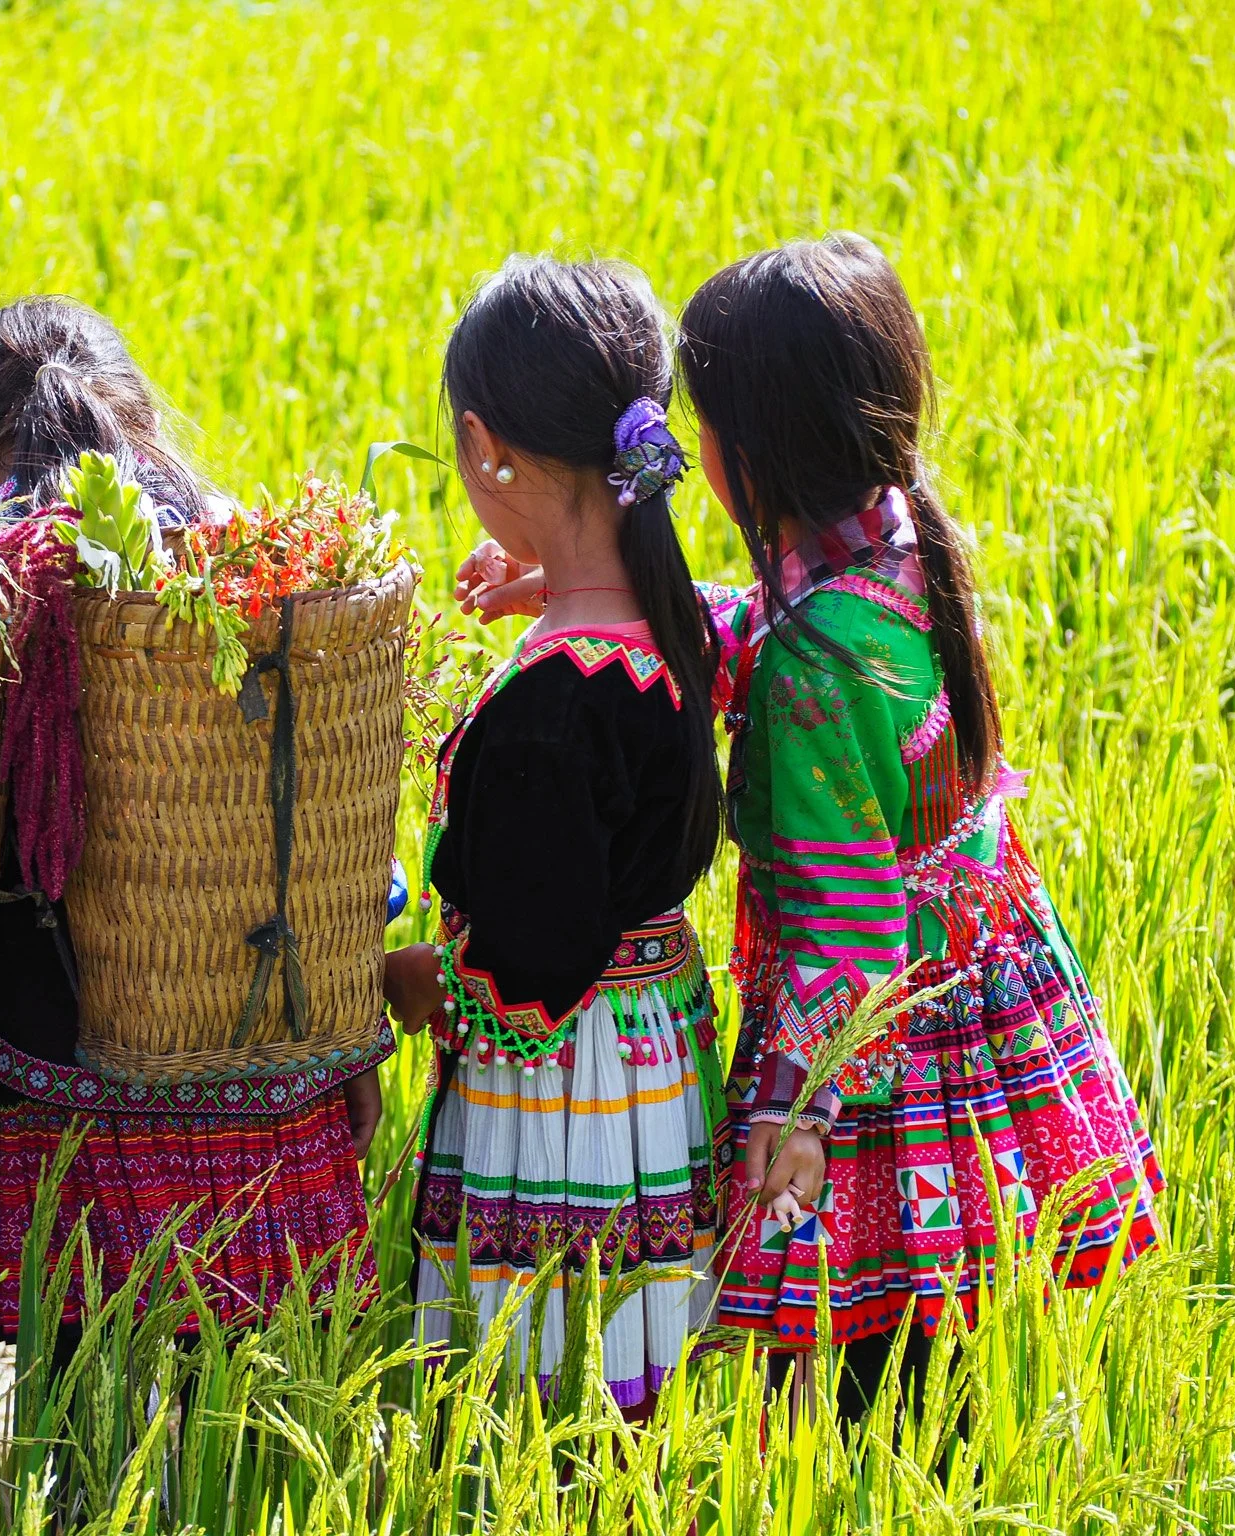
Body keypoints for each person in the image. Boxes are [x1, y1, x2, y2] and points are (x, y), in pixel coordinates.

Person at [674, 234, 1164, 1416]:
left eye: (706, 423)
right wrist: (600, 588)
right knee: (940, 1330)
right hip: (964, 984)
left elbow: (843, 929)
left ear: (755, 453)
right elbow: (762, 612)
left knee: (835, 1358)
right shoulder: (894, 539)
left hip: (872, 1033)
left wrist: (802, 1112)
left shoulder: (812, 671)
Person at [0, 296, 385, 1349]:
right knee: (242, 1425)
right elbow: (328, 809)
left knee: (81, 1429)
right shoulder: (249, 553)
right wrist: (348, 1029)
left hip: (56, 1072)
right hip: (252, 1056)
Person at [386, 257, 730, 1419]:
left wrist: (407, 980)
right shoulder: (667, 623)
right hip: (651, 1064)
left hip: (562, 1093)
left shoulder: (548, 713)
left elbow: (528, 967)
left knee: (546, 1396)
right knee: (638, 1377)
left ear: (486, 448)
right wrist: (541, 587)